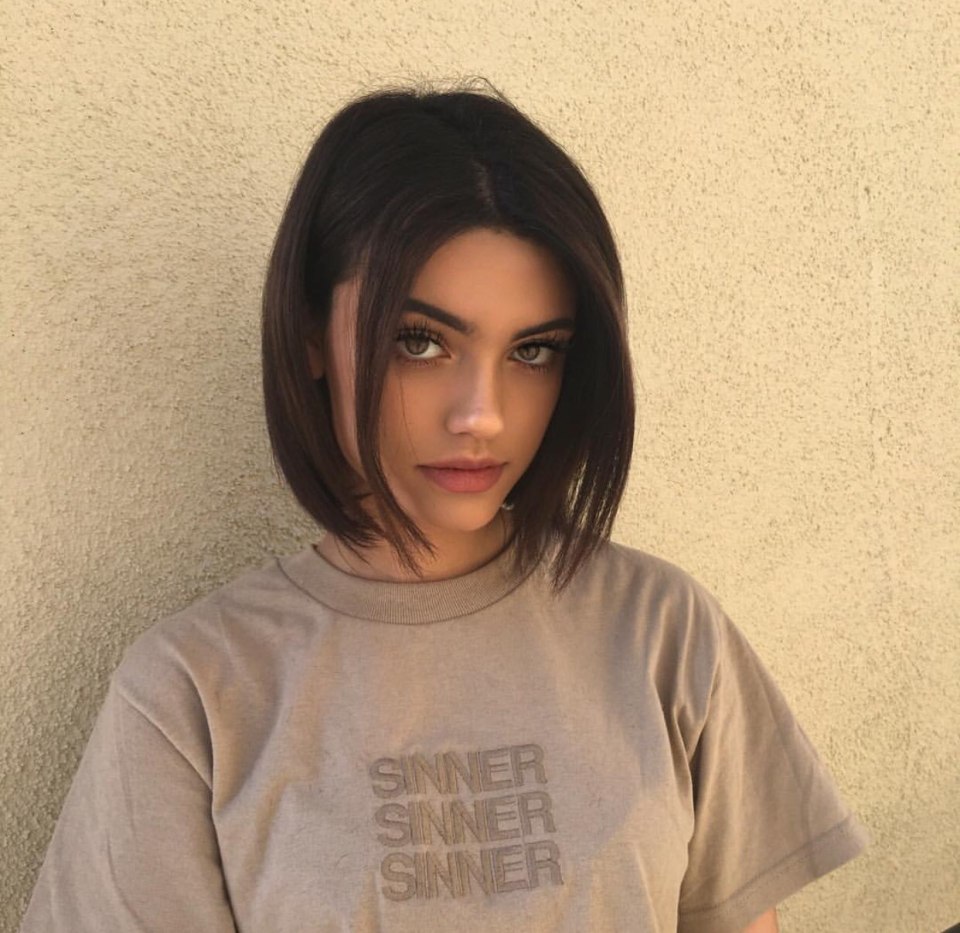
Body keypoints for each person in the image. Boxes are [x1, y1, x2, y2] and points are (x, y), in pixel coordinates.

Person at [21, 80, 868, 933]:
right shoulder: (191, 694)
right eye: (420, 341)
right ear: (312, 336)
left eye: (534, 351)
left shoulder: (663, 633)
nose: (482, 415)